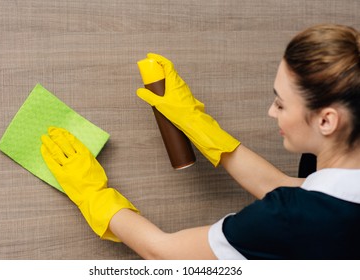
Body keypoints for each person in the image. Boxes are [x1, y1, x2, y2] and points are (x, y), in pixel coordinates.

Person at [40, 24, 360, 259]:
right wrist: (199, 125)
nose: (271, 111)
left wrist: (92, 195)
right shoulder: (335, 190)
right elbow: (293, 190)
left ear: (327, 121)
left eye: (280, 103)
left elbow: (164, 253)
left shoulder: (284, 220)